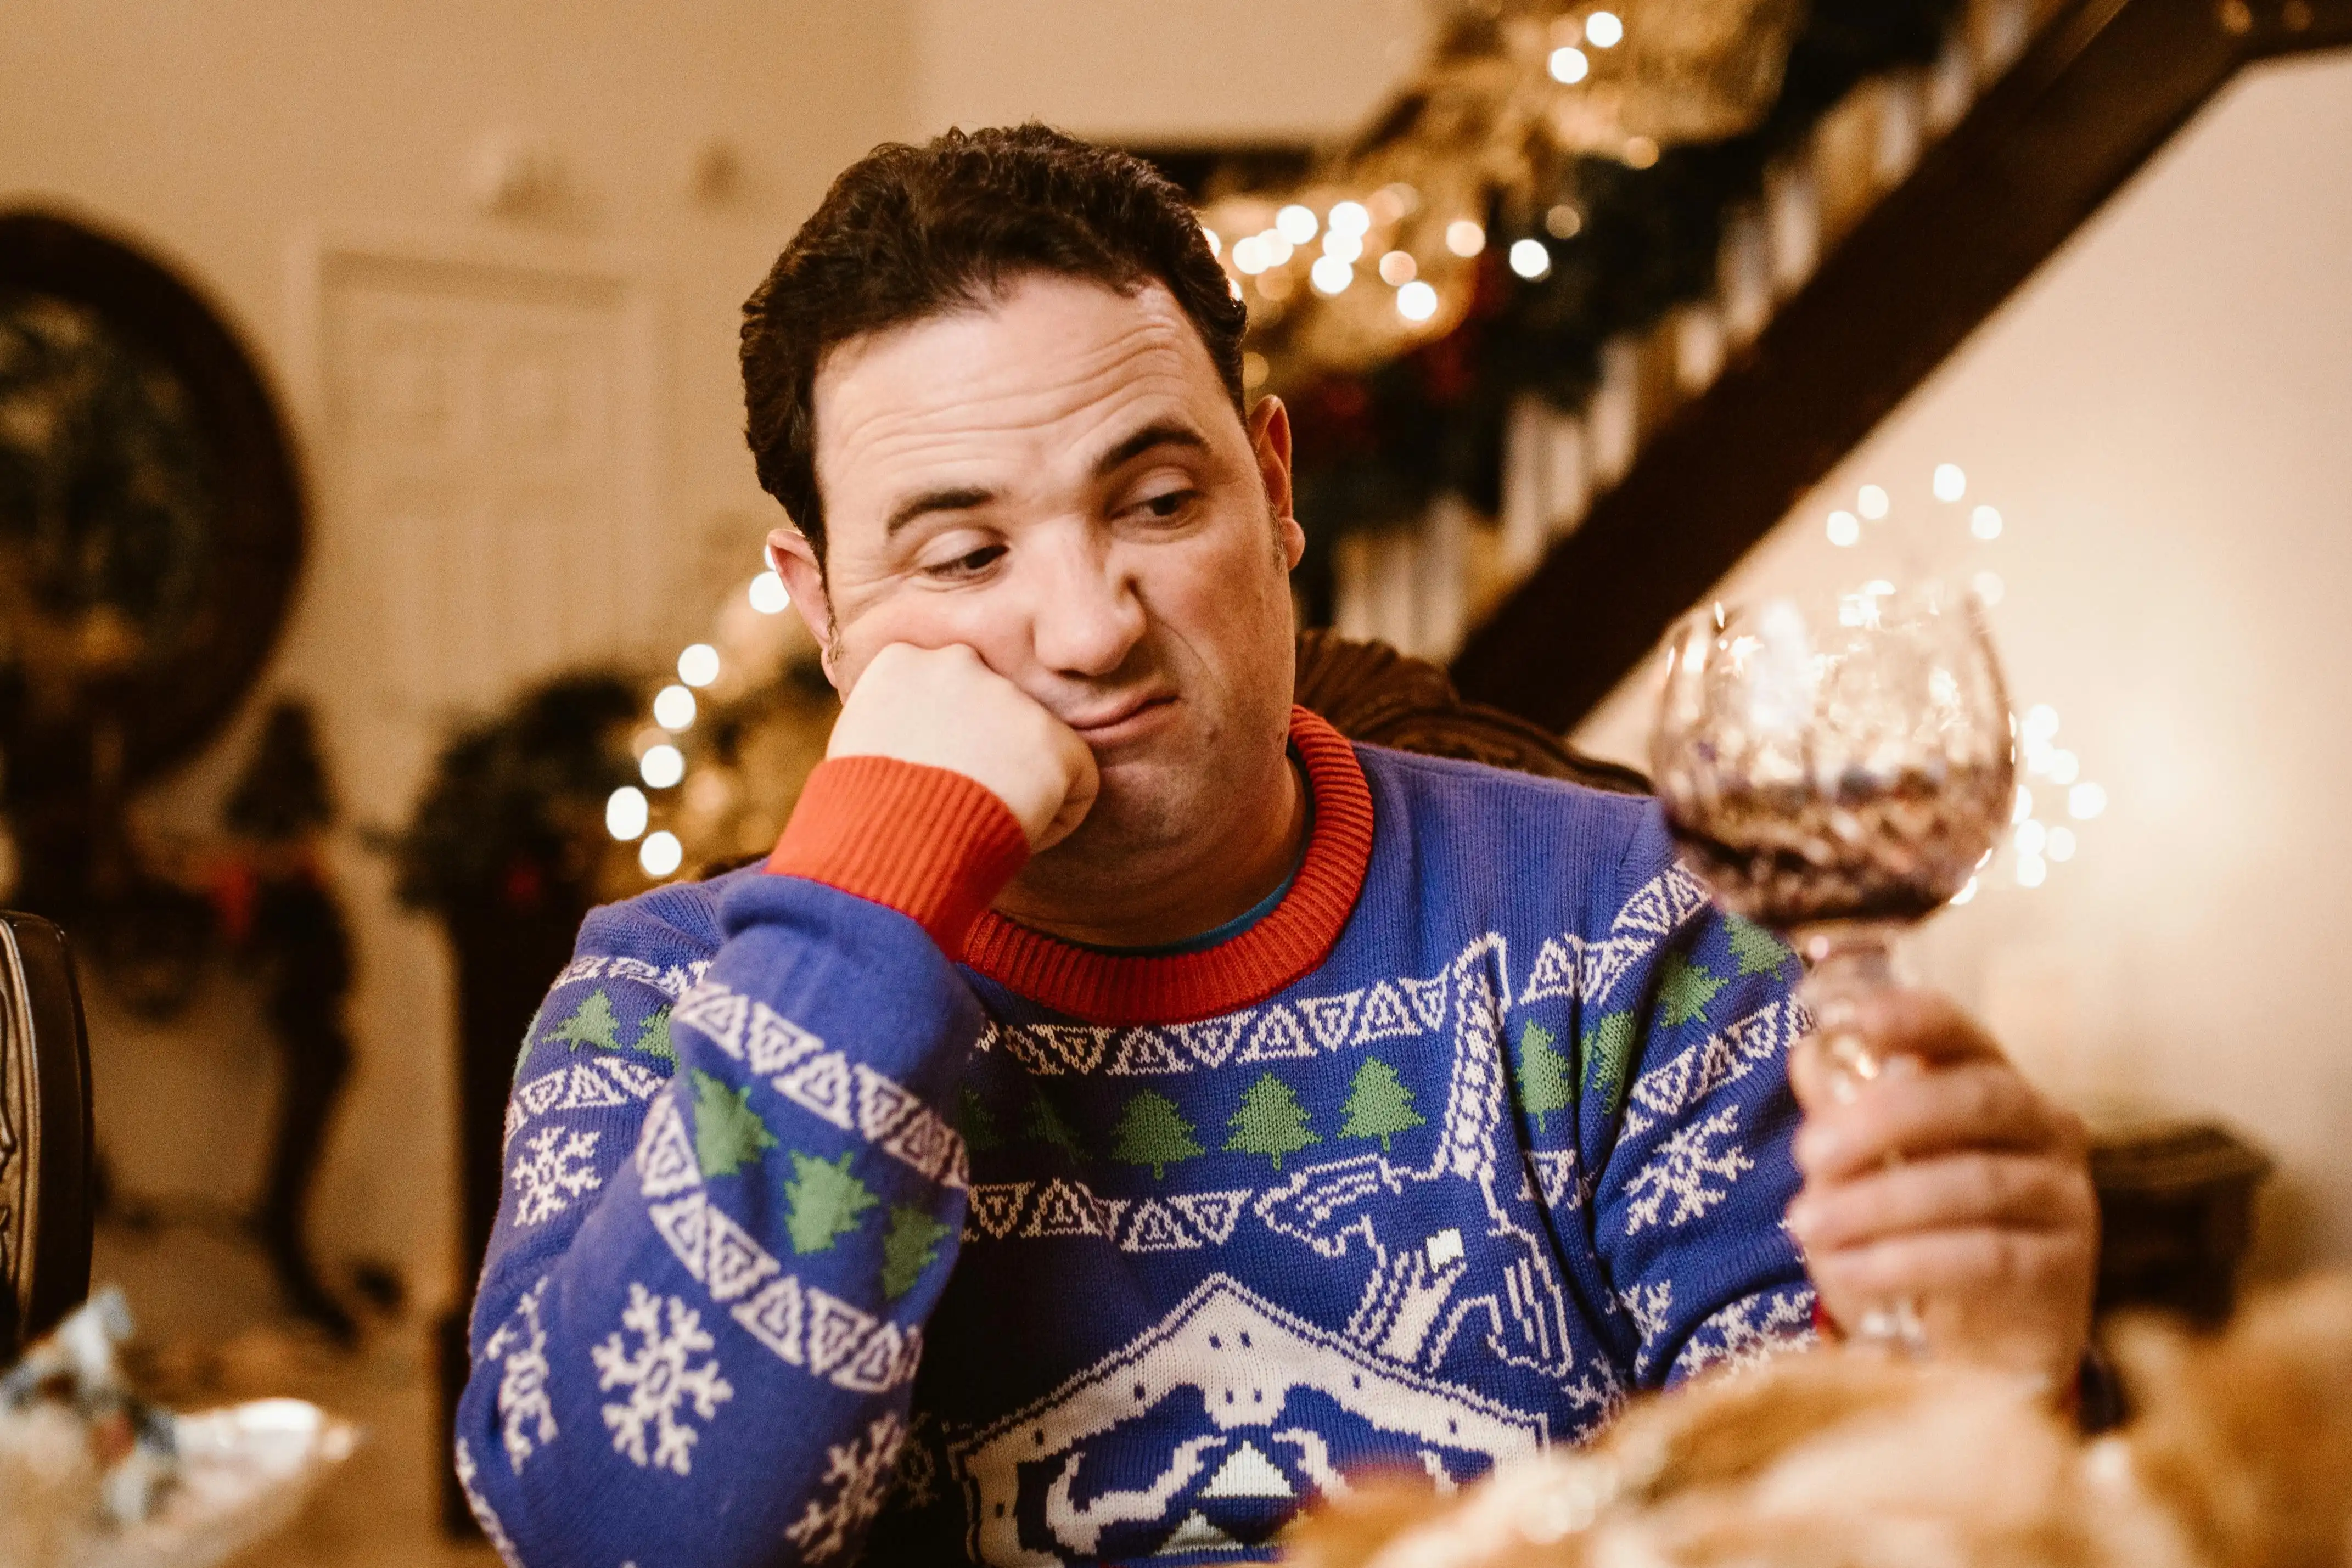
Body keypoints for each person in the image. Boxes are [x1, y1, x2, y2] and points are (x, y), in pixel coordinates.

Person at [455, 125, 2098, 1567]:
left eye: (1159, 503)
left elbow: (1828, 1512)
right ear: (821, 607)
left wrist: (1976, 1388)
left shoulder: (1642, 936)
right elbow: (620, 1540)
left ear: (1274, 484)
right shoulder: (663, 1002)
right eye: (962, 557)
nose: (1090, 628)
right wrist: (863, 904)